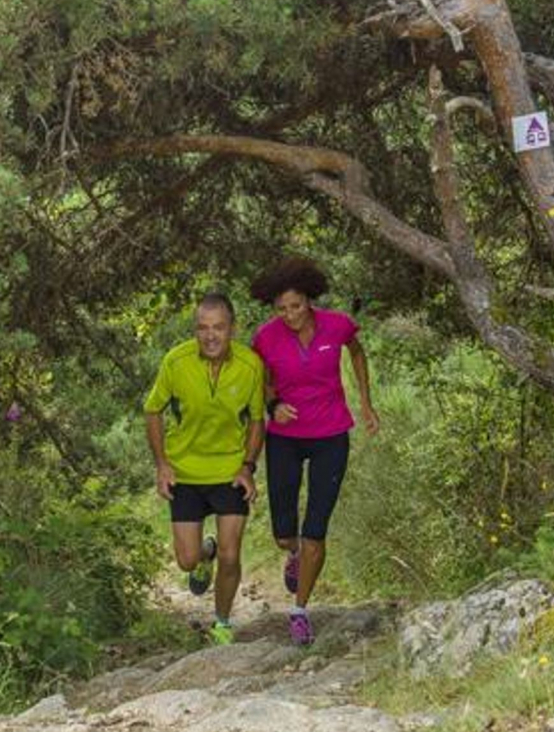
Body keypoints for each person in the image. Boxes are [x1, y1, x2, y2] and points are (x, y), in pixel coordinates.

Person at [249, 257, 379, 646]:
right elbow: (262, 382)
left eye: (297, 306)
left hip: (331, 434)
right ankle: (291, 554)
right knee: (284, 534)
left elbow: (356, 353)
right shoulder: (265, 338)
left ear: (310, 300)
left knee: (315, 530)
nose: (290, 315)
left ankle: (300, 610)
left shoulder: (337, 325)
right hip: (286, 438)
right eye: (282, 309)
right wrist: (273, 406)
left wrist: (366, 403)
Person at [144, 292, 266, 646]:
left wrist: (247, 467)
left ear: (232, 328)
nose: (211, 336)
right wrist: (162, 464)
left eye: (219, 328)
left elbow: (258, 420)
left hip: (229, 472)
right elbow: (153, 410)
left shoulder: (250, 365)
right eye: (203, 328)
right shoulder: (175, 361)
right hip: (185, 474)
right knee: (185, 561)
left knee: (232, 554)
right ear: (195, 331)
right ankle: (203, 554)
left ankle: (223, 623)